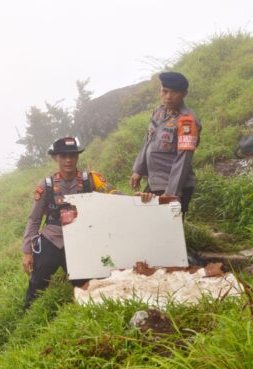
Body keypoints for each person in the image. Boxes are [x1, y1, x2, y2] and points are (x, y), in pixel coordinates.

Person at [21, 136, 117, 309]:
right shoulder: (46, 185)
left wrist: (139, 199)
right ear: (55, 157)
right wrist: (27, 251)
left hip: (81, 240)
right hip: (52, 239)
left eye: (72, 155)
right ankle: (28, 313)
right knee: (37, 282)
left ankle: (87, 310)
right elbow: (34, 219)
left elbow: (114, 196)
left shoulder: (91, 179)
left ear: (77, 157)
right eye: (63, 156)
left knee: (85, 285)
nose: (68, 160)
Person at [131, 71, 202, 216]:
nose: (168, 97)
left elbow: (183, 160)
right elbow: (148, 140)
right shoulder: (158, 111)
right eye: (165, 91)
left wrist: (171, 193)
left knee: (170, 233)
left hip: (174, 185)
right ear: (160, 91)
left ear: (184, 94)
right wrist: (139, 169)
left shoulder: (187, 121)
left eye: (174, 92)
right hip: (154, 182)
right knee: (146, 221)